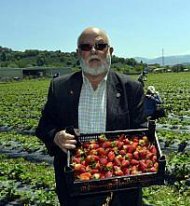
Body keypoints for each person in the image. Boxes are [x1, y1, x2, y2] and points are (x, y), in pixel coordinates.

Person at [36, 27, 146, 206]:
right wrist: (56, 136)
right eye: (86, 47)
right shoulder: (60, 87)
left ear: (110, 51)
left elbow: (141, 132)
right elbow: (44, 126)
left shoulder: (130, 88)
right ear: (79, 53)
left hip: (121, 187)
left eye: (100, 45)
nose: (93, 51)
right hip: (75, 186)